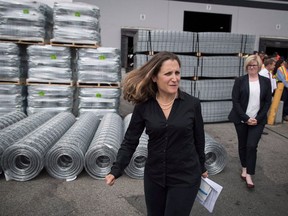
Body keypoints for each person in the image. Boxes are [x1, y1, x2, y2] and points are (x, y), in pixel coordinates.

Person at [105, 51, 208, 216]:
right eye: (168, 73)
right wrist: (116, 170)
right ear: (154, 77)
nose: (175, 78)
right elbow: (130, 140)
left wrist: (202, 166)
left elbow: (199, 139)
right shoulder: (144, 106)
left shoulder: (192, 104)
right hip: (155, 177)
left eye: (177, 73)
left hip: (185, 176)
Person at [228, 54, 272, 189]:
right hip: (241, 119)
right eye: (249, 65)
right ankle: (244, 168)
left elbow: (267, 102)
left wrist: (257, 119)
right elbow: (235, 101)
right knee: (243, 144)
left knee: (251, 145)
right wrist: (246, 118)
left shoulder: (265, 81)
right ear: (246, 67)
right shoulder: (240, 81)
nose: (252, 67)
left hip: (257, 120)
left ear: (259, 67)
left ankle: (249, 175)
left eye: (254, 65)